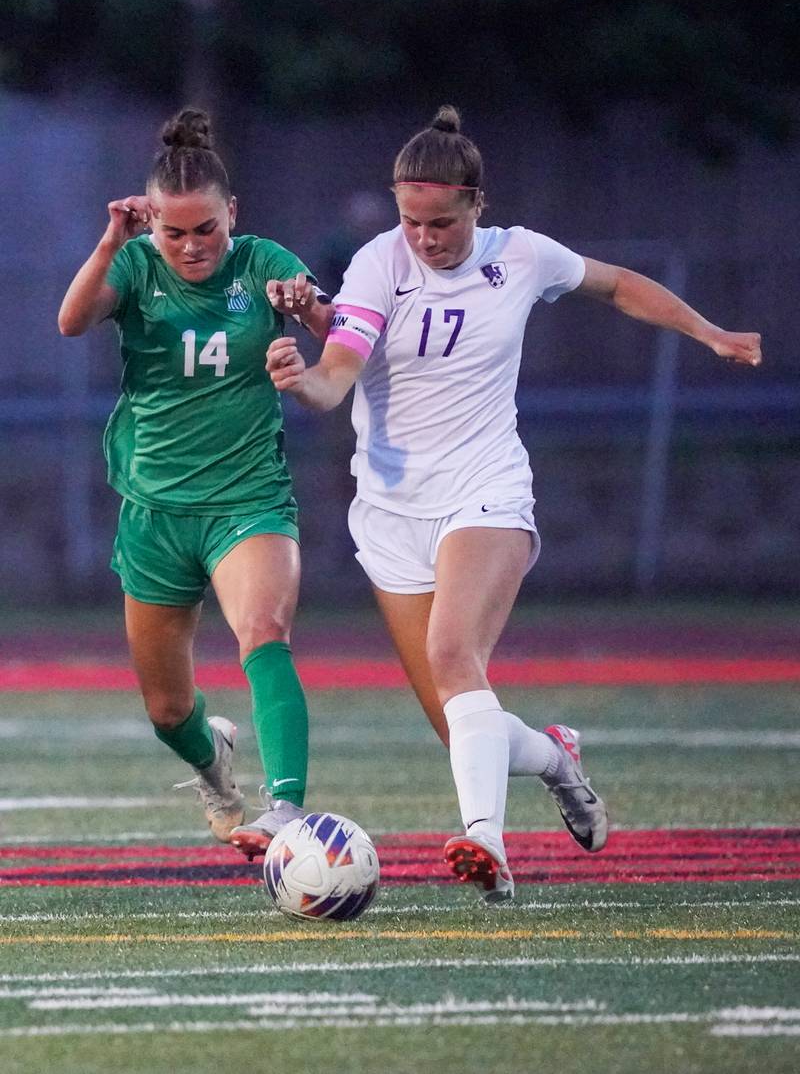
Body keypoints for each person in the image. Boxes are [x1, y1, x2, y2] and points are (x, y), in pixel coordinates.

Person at [266, 105, 762, 903]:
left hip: (485, 489)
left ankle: (484, 843)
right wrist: (307, 383)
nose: (424, 238)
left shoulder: (522, 257)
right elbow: (340, 368)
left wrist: (710, 333)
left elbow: (619, 285)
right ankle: (560, 761)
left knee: (456, 655)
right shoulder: (375, 264)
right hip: (390, 511)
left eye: (441, 222)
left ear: (477, 204)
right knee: (465, 721)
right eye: (411, 221)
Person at [58, 107, 333, 858]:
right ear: (151, 227)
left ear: (232, 215)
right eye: (172, 232)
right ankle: (214, 765)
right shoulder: (136, 264)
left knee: (264, 633)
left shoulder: (262, 260)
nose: (189, 245)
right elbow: (71, 320)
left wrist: (307, 311)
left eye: (205, 229)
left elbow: (333, 326)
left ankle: (287, 811)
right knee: (167, 707)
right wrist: (113, 240)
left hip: (247, 499)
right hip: (155, 510)